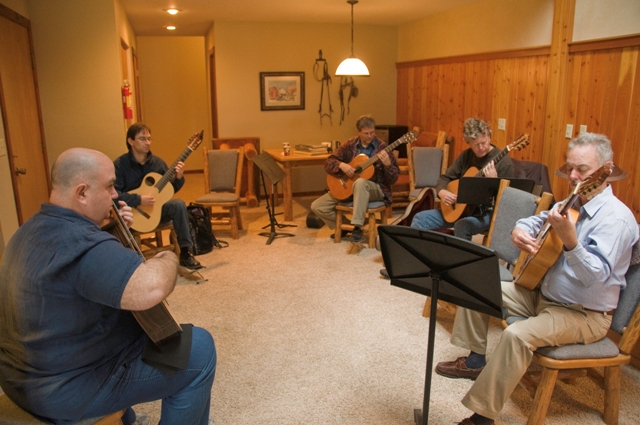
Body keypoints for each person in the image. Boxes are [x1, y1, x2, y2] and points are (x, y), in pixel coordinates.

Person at [0, 148, 216, 425]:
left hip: (18, 378)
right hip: (62, 391)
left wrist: (109, 233)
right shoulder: (84, 246)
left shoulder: (27, 231)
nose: (116, 195)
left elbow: (77, 269)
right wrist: (168, 256)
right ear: (82, 193)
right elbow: (151, 288)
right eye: (110, 186)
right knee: (199, 349)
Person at [435, 133, 638, 425]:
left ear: (606, 169)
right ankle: (475, 359)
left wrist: (571, 241)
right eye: (570, 167)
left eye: (581, 169)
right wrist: (519, 230)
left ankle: (482, 417)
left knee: (515, 336)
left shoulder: (616, 220)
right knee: (475, 285)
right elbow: (537, 219)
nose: (572, 175)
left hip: (583, 314)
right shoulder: (575, 200)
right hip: (540, 294)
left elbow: (595, 276)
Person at [380, 117, 513, 278]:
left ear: (489, 137)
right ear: (468, 143)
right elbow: (445, 178)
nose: (481, 147)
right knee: (420, 218)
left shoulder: (503, 162)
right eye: (476, 144)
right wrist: (442, 192)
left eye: (484, 142)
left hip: (485, 214)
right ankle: (409, 265)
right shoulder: (466, 156)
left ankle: (462, 275)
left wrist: (494, 182)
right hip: (458, 209)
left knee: (462, 225)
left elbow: (506, 201)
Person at [114, 123, 202, 270]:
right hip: (132, 217)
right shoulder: (120, 165)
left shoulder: (157, 163)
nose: (147, 143)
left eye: (149, 139)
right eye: (142, 139)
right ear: (130, 141)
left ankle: (186, 252)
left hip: (156, 212)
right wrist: (139, 199)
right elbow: (114, 196)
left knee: (178, 204)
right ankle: (131, 262)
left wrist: (179, 177)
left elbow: (169, 190)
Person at [311, 115, 399, 243]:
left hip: (375, 189)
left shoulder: (383, 148)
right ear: (359, 132)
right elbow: (328, 162)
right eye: (366, 133)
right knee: (317, 206)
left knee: (360, 182)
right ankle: (346, 227)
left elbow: (393, 179)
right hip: (350, 188)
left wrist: (388, 165)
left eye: (372, 132)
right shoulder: (350, 144)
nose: (370, 136)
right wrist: (342, 165)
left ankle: (357, 227)